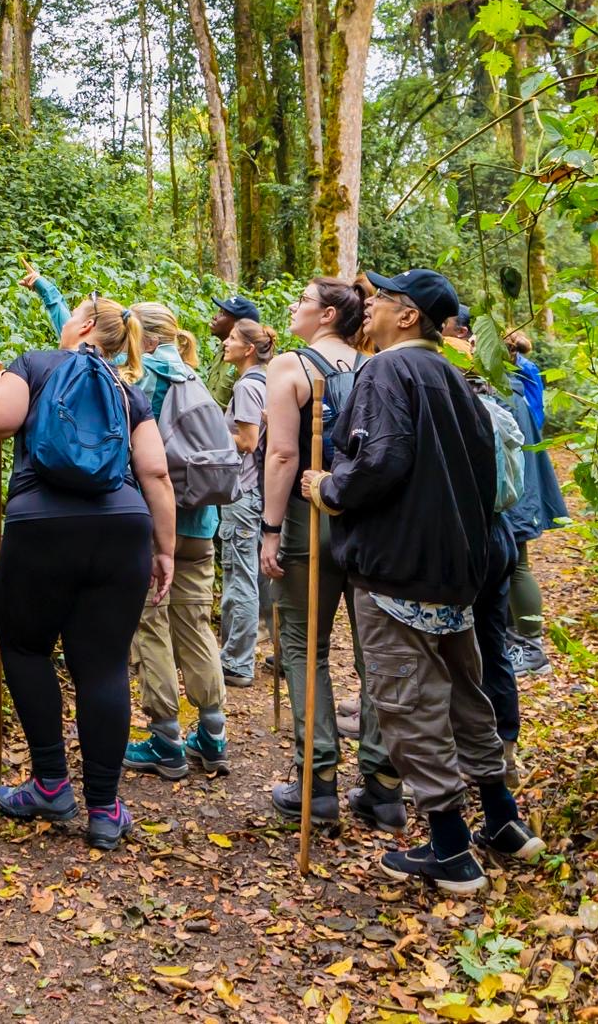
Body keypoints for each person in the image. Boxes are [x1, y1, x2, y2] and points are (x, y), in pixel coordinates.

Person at [312, 267, 541, 894]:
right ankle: (503, 821)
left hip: (398, 569)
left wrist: (329, 489)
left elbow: (379, 458)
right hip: (455, 569)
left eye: (380, 300)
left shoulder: (388, 371)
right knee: (467, 695)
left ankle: (449, 849)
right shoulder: (457, 379)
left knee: (408, 703)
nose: (370, 308)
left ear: (407, 315)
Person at [0, 292, 178, 853]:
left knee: (23, 646)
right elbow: (155, 472)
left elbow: (0, 418)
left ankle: (49, 782)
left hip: (42, 527)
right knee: (104, 665)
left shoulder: (36, 364)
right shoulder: (126, 390)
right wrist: (165, 549)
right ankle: (106, 809)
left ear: (85, 324)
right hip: (123, 529)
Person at [258, 279, 397, 830]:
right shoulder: (375, 366)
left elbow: (283, 454)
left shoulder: (292, 368)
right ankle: (383, 784)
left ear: (328, 314)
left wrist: (270, 530)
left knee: (303, 645)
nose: (293, 308)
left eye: (303, 301)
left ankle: (316, 782)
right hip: (368, 524)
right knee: (374, 653)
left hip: (308, 520)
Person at [122, 301, 232, 781]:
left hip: (156, 525)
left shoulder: (142, 379)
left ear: (140, 336)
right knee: (194, 624)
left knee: (151, 625)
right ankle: (212, 733)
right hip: (201, 524)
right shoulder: (193, 373)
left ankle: (165, 739)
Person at [444, 306, 527, 785]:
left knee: (455, 647)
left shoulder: (464, 419)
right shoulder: (499, 409)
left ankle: (471, 753)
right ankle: (505, 747)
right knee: (491, 643)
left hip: (468, 540)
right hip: (500, 533)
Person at [501, 329, 568, 677]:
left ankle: (530, 646)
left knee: (517, 565)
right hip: (517, 483)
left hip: (514, 487)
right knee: (512, 563)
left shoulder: (507, 390)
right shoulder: (514, 383)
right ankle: (518, 642)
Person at [215, 319, 275, 687]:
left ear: (249, 349)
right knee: (256, 576)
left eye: (233, 339)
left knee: (239, 574)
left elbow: (248, 441)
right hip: (260, 491)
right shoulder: (270, 380)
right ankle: (269, 650)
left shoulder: (247, 386)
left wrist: (211, 429)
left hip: (244, 489)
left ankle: (236, 661)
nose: (226, 343)